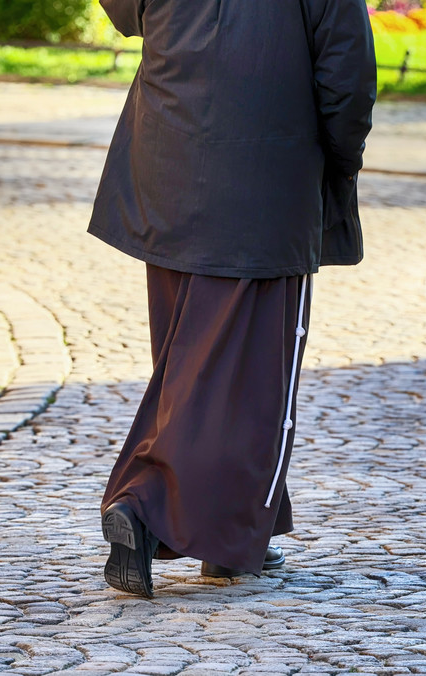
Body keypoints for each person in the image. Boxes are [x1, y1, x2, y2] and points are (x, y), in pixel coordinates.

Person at [90, 0, 377, 598]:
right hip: (266, 177)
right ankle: (143, 505)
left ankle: (231, 533)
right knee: (246, 370)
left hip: (168, 163)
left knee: (196, 361)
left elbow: (124, 11)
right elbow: (346, 74)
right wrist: (338, 162)